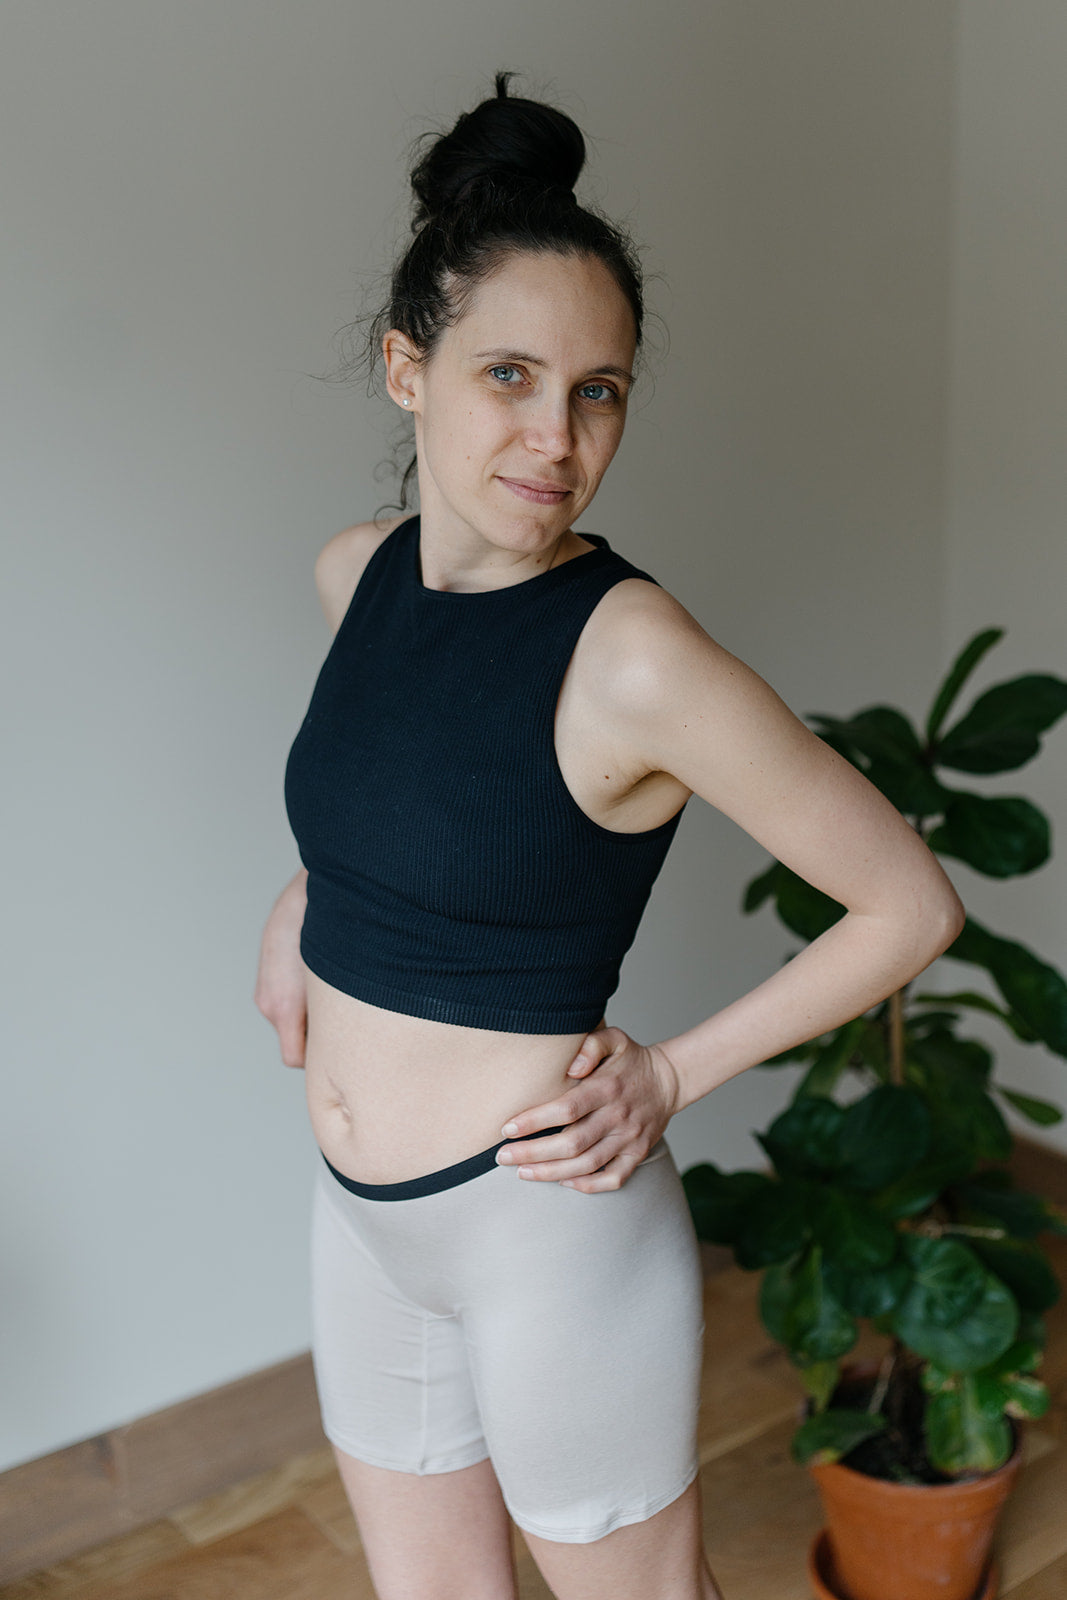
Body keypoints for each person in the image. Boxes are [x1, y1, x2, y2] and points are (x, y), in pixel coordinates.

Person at [254, 72, 965, 1600]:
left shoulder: (632, 654)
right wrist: (305, 897)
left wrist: (666, 1074)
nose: (558, 435)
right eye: (508, 375)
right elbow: (419, 797)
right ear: (406, 368)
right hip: (361, 1226)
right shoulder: (355, 578)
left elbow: (908, 904)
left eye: (599, 390)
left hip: (549, 1238)